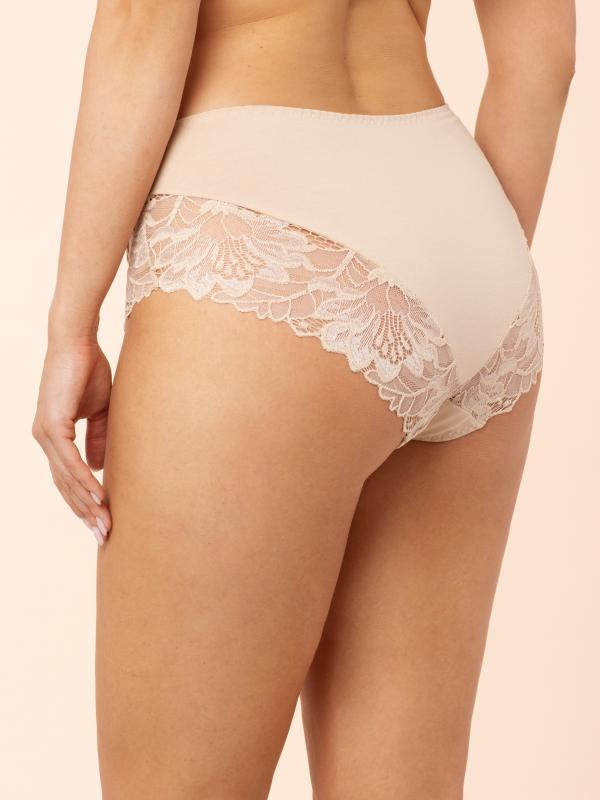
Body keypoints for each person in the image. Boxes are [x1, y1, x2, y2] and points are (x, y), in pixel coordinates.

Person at [32, 1, 575, 797]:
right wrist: (455, 284)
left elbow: (143, 22)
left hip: (265, 214)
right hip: (464, 216)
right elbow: (545, 52)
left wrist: (71, 326)